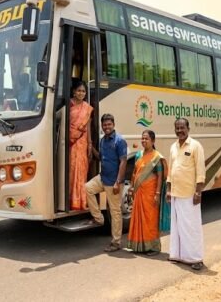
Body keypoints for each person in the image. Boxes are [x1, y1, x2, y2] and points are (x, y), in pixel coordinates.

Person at [166, 118, 206, 270]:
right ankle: (178, 255)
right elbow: (170, 170)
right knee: (177, 226)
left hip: (190, 193)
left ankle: (196, 258)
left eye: (182, 128)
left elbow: (200, 171)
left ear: (188, 128)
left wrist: (198, 191)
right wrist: (169, 190)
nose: (179, 131)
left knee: (192, 227)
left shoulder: (196, 146)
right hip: (176, 193)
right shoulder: (173, 147)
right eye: (177, 128)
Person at [85, 113, 128, 252]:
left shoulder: (119, 141)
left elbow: (123, 162)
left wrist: (118, 182)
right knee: (88, 188)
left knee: (115, 212)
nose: (107, 127)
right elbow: (101, 158)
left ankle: (116, 242)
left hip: (114, 182)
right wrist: (90, 148)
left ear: (113, 125)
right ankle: (99, 218)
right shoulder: (103, 140)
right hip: (103, 178)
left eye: (109, 124)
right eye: (104, 125)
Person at [126, 130, 170, 255]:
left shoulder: (157, 157)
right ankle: (139, 246)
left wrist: (157, 194)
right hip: (139, 192)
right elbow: (135, 173)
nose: (144, 141)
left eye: (147, 139)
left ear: (153, 141)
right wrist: (131, 187)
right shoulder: (139, 155)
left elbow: (161, 176)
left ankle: (154, 247)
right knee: (138, 218)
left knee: (150, 219)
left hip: (151, 193)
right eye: (142, 138)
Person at [69, 79, 93, 210]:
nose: (81, 93)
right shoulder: (69, 105)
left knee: (82, 170)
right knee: (71, 170)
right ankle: (71, 199)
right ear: (73, 91)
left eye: (83, 91)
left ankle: (80, 201)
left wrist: (89, 144)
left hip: (82, 142)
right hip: (70, 143)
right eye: (79, 90)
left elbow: (88, 126)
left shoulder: (87, 108)